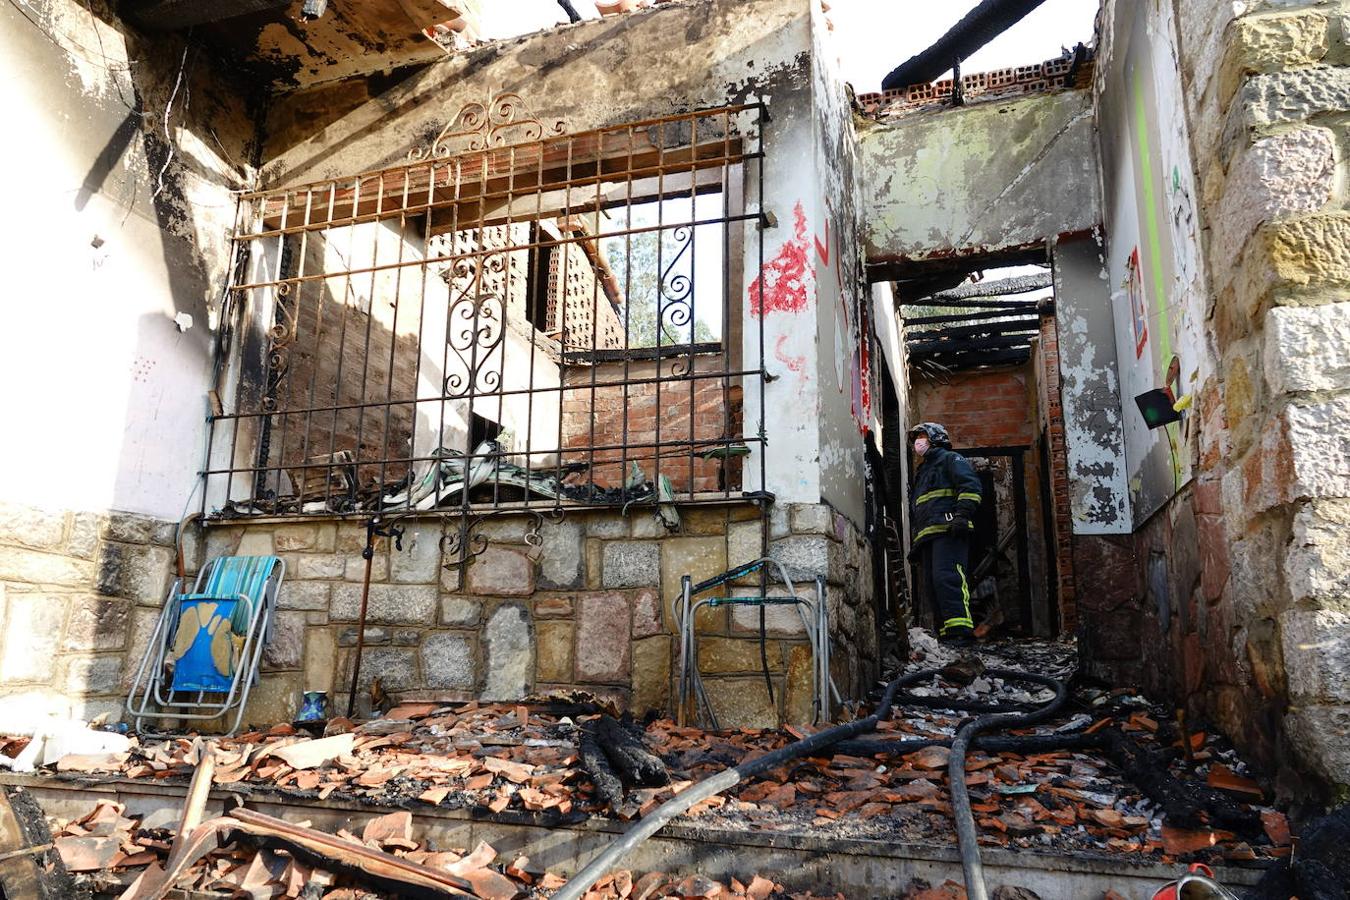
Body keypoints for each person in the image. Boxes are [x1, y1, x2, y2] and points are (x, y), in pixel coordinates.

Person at [907, 422, 983, 645]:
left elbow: (971, 487)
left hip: (949, 531)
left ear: (935, 438)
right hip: (929, 536)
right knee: (933, 585)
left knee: (948, 578)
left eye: (922, 436)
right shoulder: (923, 471)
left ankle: (961, 631)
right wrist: (917, 542)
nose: (918, 441)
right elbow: (920, 508)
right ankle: (946, 633)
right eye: (916, 438)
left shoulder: (951, 459)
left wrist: (962, 515)